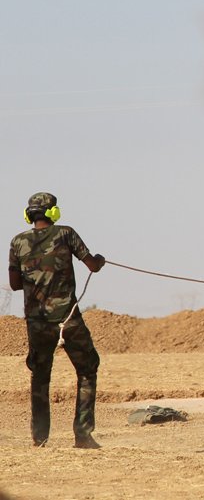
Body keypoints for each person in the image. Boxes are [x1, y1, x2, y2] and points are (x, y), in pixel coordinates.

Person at [8, 192, 106, 449]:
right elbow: (92, 266)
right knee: (87, 369)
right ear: (53, 213)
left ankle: (39, 439)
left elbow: (15, 284)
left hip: (37, 323)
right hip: (68, 320)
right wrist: (100, 261)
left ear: (29, 214)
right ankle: (83, 435)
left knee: (40, 376)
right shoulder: (66, 234)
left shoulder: (17, 242)